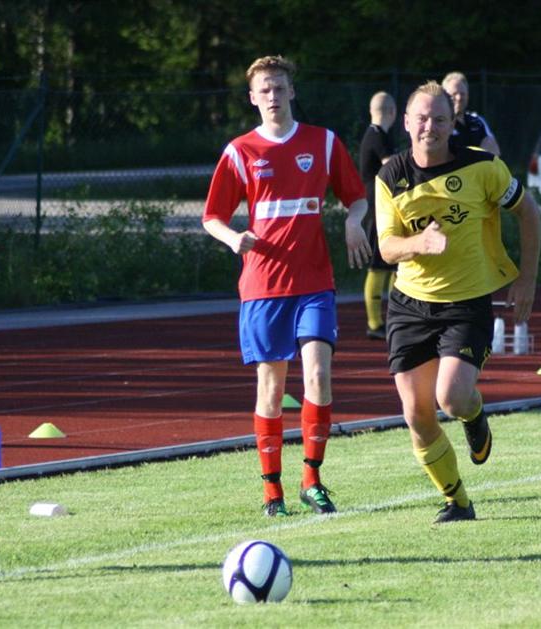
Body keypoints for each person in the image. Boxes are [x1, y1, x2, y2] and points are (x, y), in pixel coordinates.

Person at [202, 55, 370, 517]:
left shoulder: (324, 142)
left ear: (292, 91)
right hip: (263, 285)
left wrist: (354, 221)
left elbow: (357, 198)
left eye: (279, 87)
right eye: (265, 90)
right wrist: (233, 237)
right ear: (252, 98)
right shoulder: (240, 151)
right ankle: (272, 490)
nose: (273, 96)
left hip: (314, 282)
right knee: (272, 388)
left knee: (318, 374)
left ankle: (312, 480)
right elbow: (212, 217)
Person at [375, 81, 541, 523]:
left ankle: (474, 412)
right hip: (409, 304)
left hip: (466, 303)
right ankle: (458, 501)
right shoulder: (390, 177)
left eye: (439, 119)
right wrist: (419, 243)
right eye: (422, 118)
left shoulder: (483, 167)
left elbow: (529, 211)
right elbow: (387, 247)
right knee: (417, 414)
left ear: (453, 124)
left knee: (451, 397)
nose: (429, 127)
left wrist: (527, 279)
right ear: (406, 123)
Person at [359, 91, 399, 340]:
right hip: (376, 209)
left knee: (395, 264)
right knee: (378, 264)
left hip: (383, 208)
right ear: (392, 112)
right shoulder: (376, 136)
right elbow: (392, 166)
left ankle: (397, 317)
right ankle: (374, 323)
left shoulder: (377, 135)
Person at [441, 71, 501, 155]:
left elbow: (494, 150)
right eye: (454, 94)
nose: (459, 98)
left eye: (462, 94)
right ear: (444, 96)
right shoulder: (440, 123)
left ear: (468, 95)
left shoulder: (477, 121)